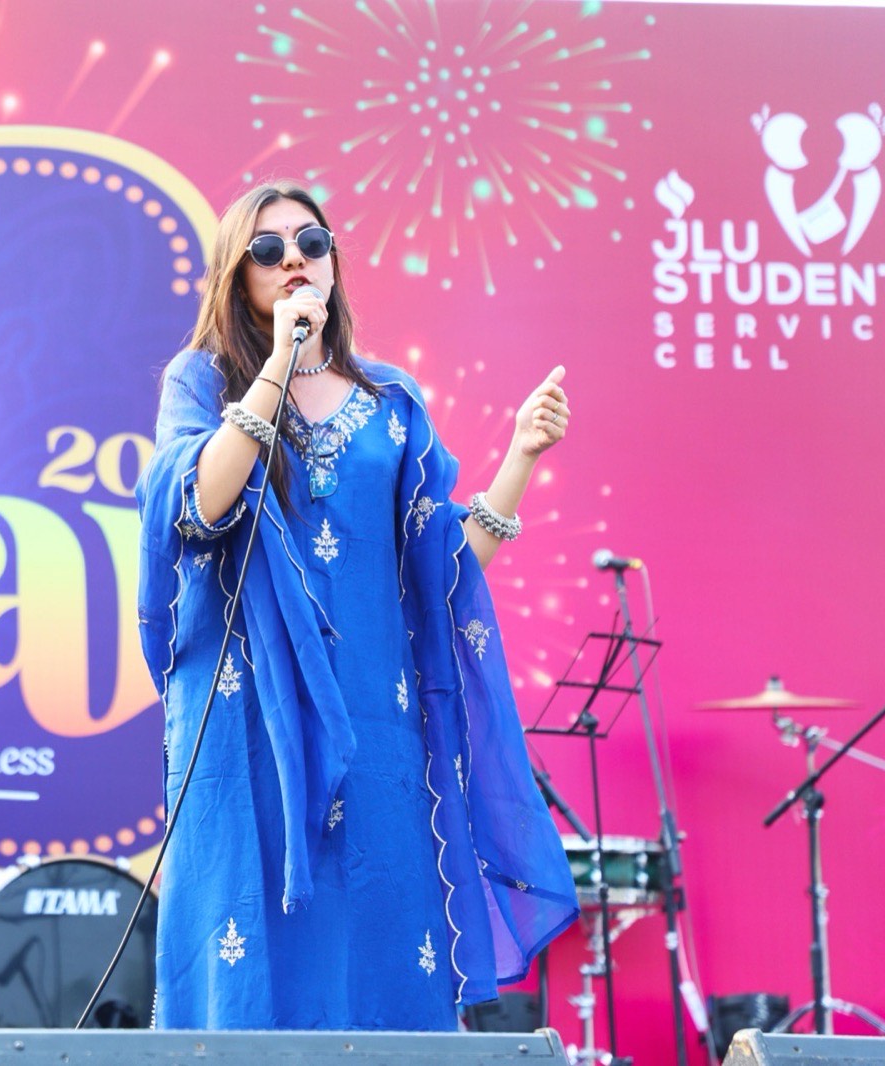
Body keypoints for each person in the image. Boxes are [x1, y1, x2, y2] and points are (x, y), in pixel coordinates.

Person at [134, 181, 580, 1031]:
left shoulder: (391, 403)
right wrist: (277, 361)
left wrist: (521, 457)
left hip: (376, 721)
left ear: (334, 261)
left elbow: (440, 573)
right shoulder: (204, 381)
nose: (293, 261)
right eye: (268, 250)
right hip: (244, 722)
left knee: (383, 946)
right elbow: (197, 506)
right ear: (237, 274)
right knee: (248, 948)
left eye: (311, 242)